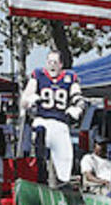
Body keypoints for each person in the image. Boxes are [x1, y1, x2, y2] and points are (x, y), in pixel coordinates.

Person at [19, 50, 84, 184]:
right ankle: (39, 169)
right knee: (39, 137)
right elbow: (25, 98)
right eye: (49, 62)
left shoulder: (69, 77)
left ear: (61, 64)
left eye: (55, 62)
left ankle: (61, 183)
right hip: (41, 119)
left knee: (64, 163)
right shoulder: (38, 75)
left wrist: (77, 108)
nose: (52, 65)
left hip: (60, 122)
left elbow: (78, 97)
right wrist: (29, 99)